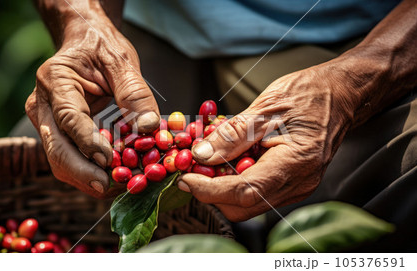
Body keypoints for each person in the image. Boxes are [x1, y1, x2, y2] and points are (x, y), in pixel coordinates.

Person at [25, 0, 416, 251]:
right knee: (49, 153)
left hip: (358, 42)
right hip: (138, 30)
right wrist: (81, 20)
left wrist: (354, 81)